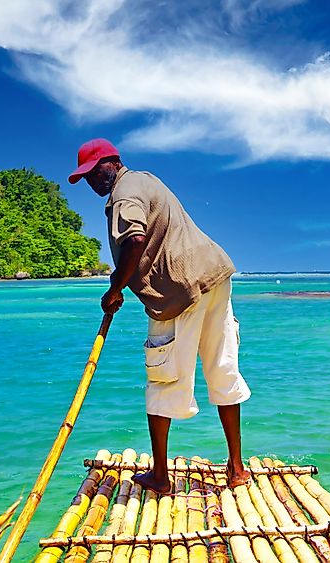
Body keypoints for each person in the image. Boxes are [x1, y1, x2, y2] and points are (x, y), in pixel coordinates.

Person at [69, 138, 252, 493]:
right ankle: (237, 469)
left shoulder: (123, 194)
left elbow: (135, 239)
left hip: (178, 290)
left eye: (93, 173)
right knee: (223, 369)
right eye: (86, 178)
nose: (91, 182)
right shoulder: (146, 179)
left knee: (162, 380)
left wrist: (115, 288)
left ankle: (160, 477)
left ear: (110, 162)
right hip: (215, 276)